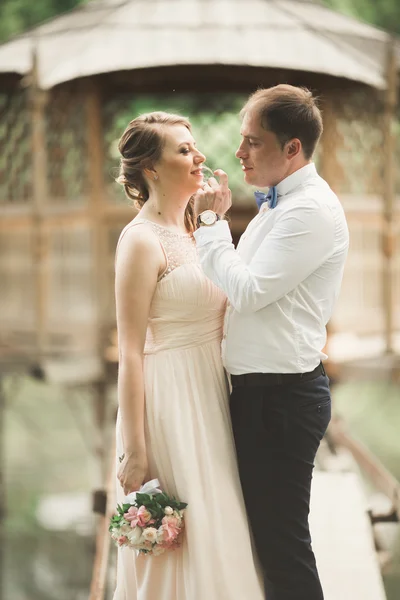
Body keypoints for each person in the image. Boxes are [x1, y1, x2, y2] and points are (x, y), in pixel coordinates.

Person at [193, 85, 349, 600]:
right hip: (261, 392)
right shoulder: (278, 203)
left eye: (252, 142)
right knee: (263, 544)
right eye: (241, 140)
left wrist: (212, 224)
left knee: (282, 549)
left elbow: (250, 291)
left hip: (281, 398)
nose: (239, 152)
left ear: (292, 148)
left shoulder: (308, 212)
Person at [113, 111, 264, 600]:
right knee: (185, 532)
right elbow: (130, 353)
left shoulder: (198, 232)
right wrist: (135, 448)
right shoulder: (139, 241)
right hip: (171, 399)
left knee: (222, 524)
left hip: (214, 392)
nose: (198, 156)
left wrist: (212, 220)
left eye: (194, 146)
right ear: (151, 169)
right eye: (183, 150)